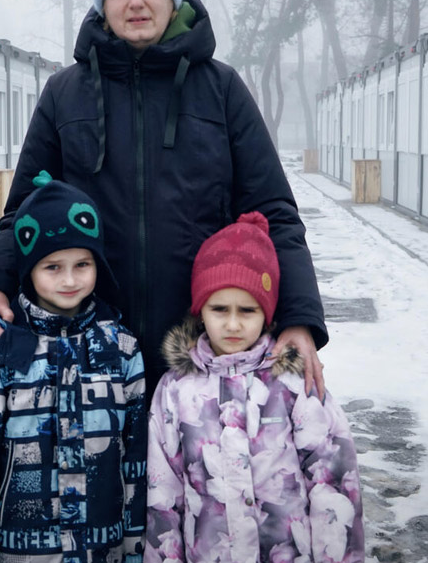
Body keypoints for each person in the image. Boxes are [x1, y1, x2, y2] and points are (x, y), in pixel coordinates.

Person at [0, 0, 327, 400]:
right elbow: (23, 213)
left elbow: (274, 214)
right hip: (88, 353)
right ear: (103, 1)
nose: (135, 1)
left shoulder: (221, 91)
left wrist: (300, 317)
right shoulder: (65, 94)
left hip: (204, 354)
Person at [0, 171, 147, 562]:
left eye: (82, 264)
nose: (69, 280)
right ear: (29, 270)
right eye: (52, 267)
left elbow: (135, 464)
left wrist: (135, 551)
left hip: (102, 550)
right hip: (23, 551)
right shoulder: (0, 353)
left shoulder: (121, 350)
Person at [145, 213, 364, 563]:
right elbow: (163, 493)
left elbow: (334, 484)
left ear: (268, 313)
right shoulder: (175, 391)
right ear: (201, 312)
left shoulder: (293, 385)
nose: (233, 323)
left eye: (247, 310)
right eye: (219, 309)